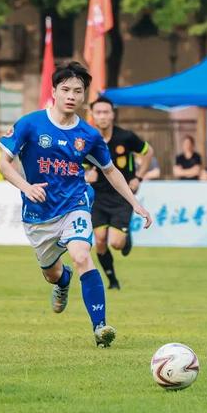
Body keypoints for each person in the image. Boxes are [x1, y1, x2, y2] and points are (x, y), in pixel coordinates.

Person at [0, 61, 152, 347]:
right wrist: (27, 187)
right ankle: (62, 280)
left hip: (75, 203)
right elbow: (3, 164)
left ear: (84, 96)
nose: (71, 95)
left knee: (81, 255)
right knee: (52, 273)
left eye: (78, 91)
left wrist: (135, 203)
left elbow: (110, 171)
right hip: (38, 214)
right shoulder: (30, 124)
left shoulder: (89, 135)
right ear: (54, 91)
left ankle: (100, 328)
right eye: (66, 89)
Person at [85, 96, 153, 290]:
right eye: (98, 112)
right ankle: (112, 281)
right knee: (99, 241)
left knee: (116, 244)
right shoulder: (87, 140)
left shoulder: (126, 137)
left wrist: (138, 177)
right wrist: (86, 175)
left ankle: (125, 237)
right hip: (98, 197)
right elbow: (79, 166)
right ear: (92, 115)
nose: (102, 116)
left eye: (106, 112)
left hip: (123, 196)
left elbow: (148, 152)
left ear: (112, 114)